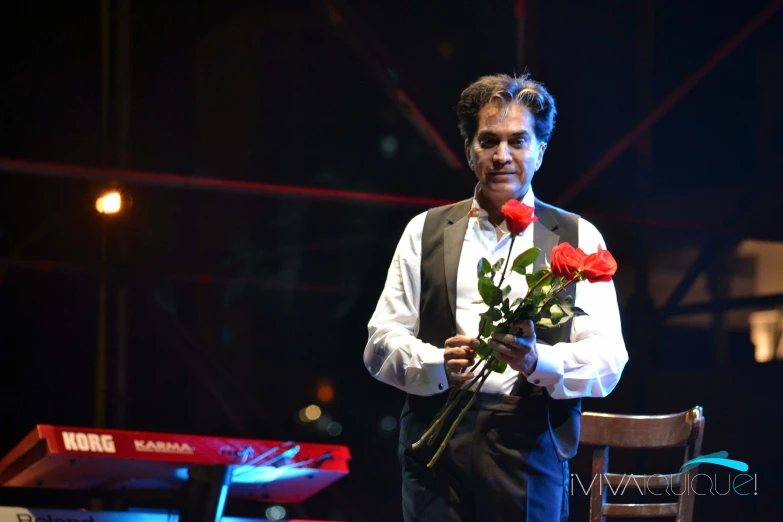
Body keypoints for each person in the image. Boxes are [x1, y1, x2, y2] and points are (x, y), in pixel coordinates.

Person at [363, 73, 628, 522]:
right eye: (488, 141)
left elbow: (608, 358)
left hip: (528, 440)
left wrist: (536, 360)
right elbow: (379, 342)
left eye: (518, 141)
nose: (502, 155)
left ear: (540, 151)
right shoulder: (424, 231)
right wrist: (434, 363)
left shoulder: (577, 235)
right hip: (434, 439)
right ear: (470, 151)